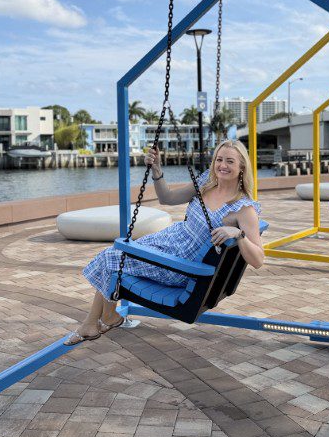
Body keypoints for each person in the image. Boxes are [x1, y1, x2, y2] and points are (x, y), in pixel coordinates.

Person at [64, 139, 265, 345]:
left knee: (113, 257)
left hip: (180, 265)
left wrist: (238, 234)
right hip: (170, 241)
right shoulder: (206, 183)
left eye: (230, 161)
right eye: (219, 159)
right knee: (116, 253)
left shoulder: (243, 209)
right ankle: (108, 317)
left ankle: (91, 323)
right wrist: (157, 170)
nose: (223, 166)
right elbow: (167, 198)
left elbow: (258, 259)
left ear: (242, 167)